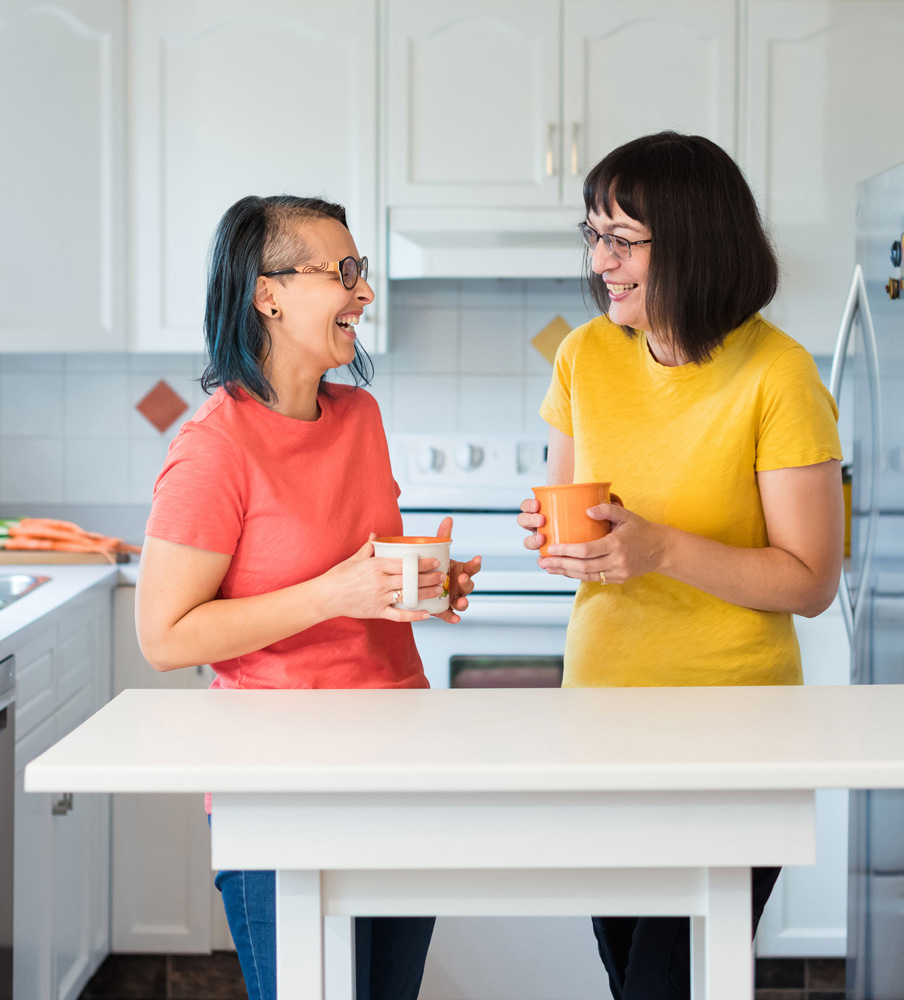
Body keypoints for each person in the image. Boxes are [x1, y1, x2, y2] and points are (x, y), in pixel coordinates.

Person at [517, 132, 844, 1000]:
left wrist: (660, 547)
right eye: (592, 236)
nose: (602, 261)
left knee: (669, 987)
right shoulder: (585, 355)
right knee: (633, 980)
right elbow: (574, 517)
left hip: (736, 736)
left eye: (622, 239)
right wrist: (557, 537)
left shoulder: (780, 375)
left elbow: (812, 580)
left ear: (694, 240)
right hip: (600, 723)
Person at [135, 194, 480, 1000]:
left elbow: (364, 583)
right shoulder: (213, 447)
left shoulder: (361, 416)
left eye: (363, 272)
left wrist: (420, 587)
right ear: (268, 293)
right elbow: (165, 636)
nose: (365, 294)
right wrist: (335, 593)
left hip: (400, 758)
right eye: (346, 272)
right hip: (279, 782)